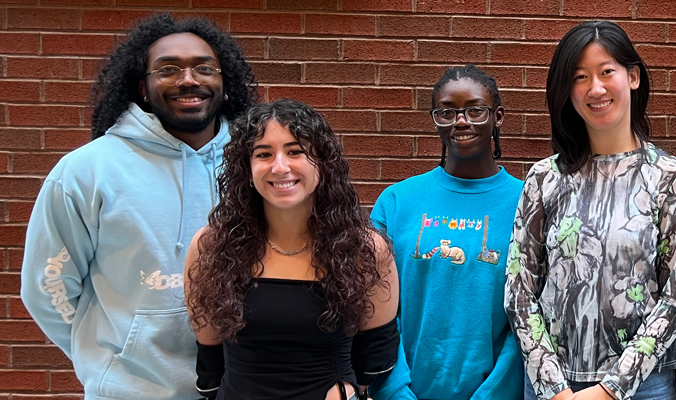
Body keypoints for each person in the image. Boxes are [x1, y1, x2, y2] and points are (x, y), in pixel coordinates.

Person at [18, 13, 257, 400]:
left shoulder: (260, 165)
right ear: (142, 88)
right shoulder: (87, 170)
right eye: (168, 69)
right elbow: (47, 287)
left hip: (244, 389)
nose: (188, 79)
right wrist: (106, 361)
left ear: (224, 82)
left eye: (204, 68)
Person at [505, 20, 676, 400]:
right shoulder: (544, 178)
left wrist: (611, 389)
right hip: (552, 386)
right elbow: (519, 290)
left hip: (643, 386)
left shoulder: (669, 177)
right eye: (579, 77)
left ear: (633, 77)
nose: (595, 88)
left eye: (606, 71)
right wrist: (553, 386)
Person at [185, 99, 400, 400]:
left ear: (322, 163)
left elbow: (377, 353)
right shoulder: (211, 247)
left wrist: (352, 389)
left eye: (295, 151)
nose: (280, 166)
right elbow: (209, 359)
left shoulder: (364, 249)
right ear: (246, 170)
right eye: (263, 154)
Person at [370, 65, 525, 400]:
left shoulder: (528, 203)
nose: (461, 121)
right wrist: (395, 391)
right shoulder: (396, 203)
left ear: (497, 116)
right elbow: (375, 309)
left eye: (475, 110)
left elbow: (530, 318)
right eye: (447, 111)